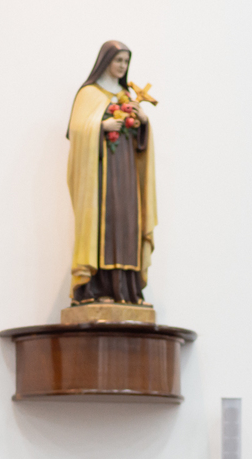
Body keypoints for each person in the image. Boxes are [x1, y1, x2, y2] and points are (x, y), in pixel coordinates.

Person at [66, 40, 156, 306]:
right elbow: (76, 130)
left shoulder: (127, 95)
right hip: (101, 175)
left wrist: (143, 122)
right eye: (118, 60)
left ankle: (128, 291)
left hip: (127, 171)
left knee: (127, 222)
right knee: (105, 222)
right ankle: (96, 288)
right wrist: (101, 126)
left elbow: (140, 141)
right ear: (105, 61)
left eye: (126, 61)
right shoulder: (89, 93)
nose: (122, 66)